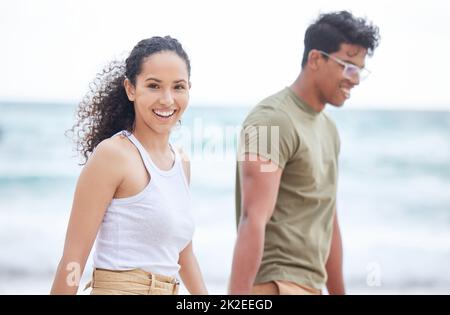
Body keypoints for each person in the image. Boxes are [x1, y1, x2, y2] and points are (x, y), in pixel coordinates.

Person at [229, 11, 380, 295]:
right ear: (315, 59)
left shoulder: (329, 130)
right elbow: (253, 218)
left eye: (360, 69)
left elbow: (328, 218)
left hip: (310, 286)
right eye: (348, 66)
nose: (355, 79)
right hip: (275, 284)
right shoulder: (271, 119)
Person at [50, 36, 208, 295]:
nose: (167, 99)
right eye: (154, 86)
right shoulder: (113, 155)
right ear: (131, 89)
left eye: (178, 87)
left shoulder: (181, 162)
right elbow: (72, 260)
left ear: (189, 89)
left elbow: (184, 254)